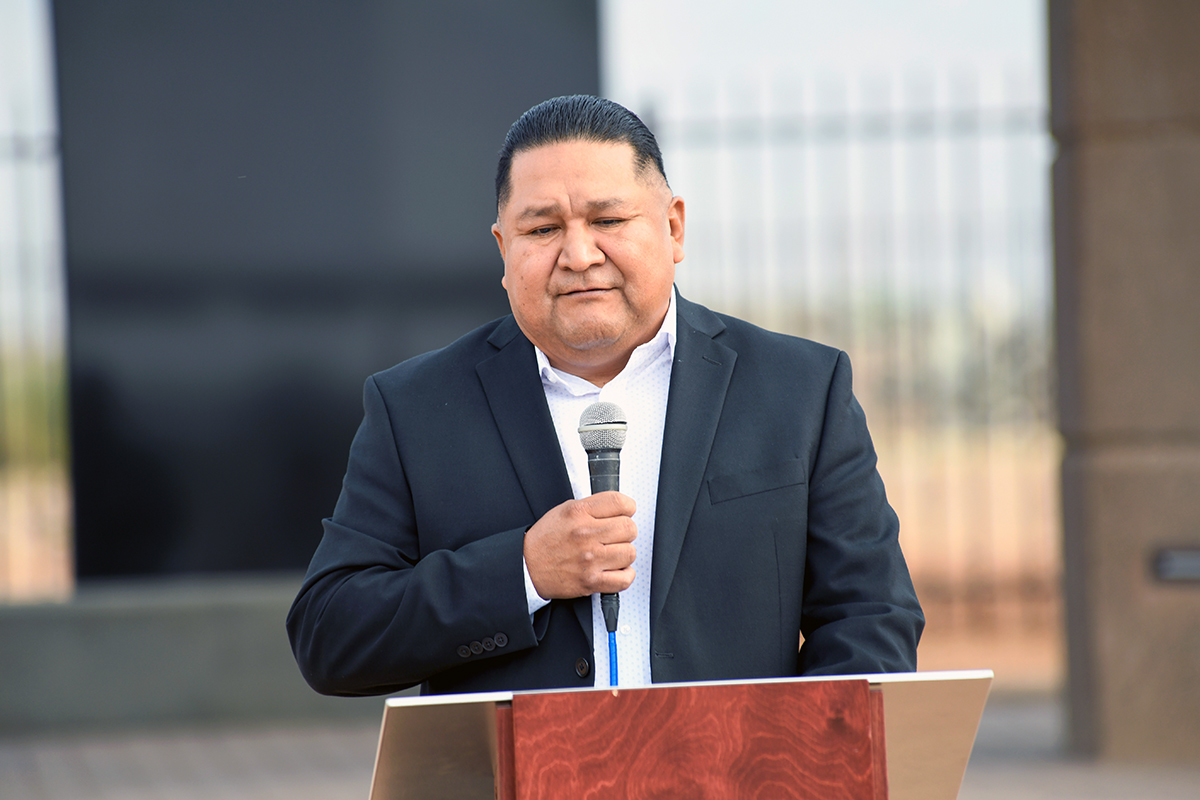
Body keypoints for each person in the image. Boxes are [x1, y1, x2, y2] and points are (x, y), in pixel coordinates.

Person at [287, 95, 923, 697]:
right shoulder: (416, 409)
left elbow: (872, 617)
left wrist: (795, 761)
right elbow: (329, 634)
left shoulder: (800, 390)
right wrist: (523, 574)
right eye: (542, 229)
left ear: (673, 228)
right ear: (504, 251)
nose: (579, 254)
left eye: (608, 220)